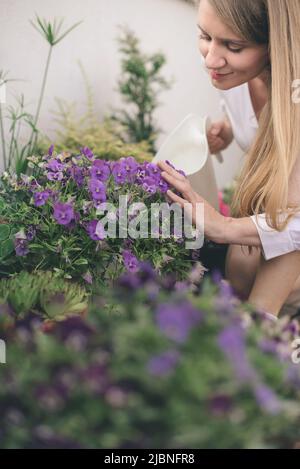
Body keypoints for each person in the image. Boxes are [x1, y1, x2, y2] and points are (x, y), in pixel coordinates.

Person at [158, 0, 300, 318]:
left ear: (274, 44)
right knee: (241, 265)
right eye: (205, 36)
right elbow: (260, 121)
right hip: (263, 256)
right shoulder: (236, 79)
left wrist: (223, 227)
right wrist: (230, 128)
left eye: (233, 46)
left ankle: (261, 326)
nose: (211, 58)